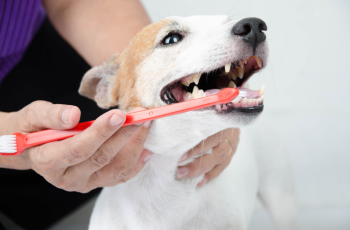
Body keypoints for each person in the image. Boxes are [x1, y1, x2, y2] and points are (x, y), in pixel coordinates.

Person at [0, 0, 240, 229]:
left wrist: (135, 71)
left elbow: (71, 2)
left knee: (103, 139)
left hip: (25, 48)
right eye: (174, 39)